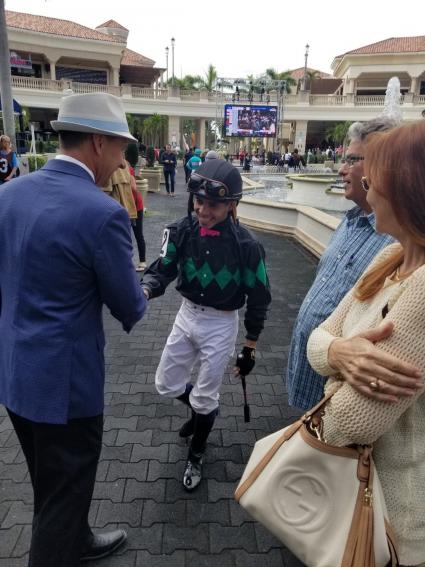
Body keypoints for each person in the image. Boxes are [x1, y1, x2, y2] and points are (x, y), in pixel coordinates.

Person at [0, 92, 148, 567]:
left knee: (49, 480)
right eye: (122, 148)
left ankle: (78, 539)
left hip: (15, 373)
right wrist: (148, 290)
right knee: (63, 497)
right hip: (67, 387)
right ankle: (65, 544)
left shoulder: (9, 194)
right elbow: (129, 306)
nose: (123, 160)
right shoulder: (102, 212)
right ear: (99, 143)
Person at [306, 120, 425, 567]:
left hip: (393, 521)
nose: (367, 189)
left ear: (408, 189)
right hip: (356, 493)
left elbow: (352, 421)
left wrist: (329, 362)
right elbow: (319, 335)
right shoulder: (388, 258)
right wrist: (339, 355)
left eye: (375, 178)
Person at [141, 160, 271, 491]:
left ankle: (196, 453)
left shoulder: (248, 246)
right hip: (186, 315)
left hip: (221, 323)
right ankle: (201, 415)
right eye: (199, 201)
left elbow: (259, 297)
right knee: (166, 384)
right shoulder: (180, 230)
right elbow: (162, 269)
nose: (203, 210)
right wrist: (144, 289)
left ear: (232, 205)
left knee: (205, 396)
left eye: (213, 204)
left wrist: (250, 346)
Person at [286, 117, 399, 411]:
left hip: (342, 396)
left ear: (380, 166)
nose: (341, 169)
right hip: (310, 374)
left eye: (351, 160)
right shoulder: (349, 222)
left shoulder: (397, 242)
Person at [129, 163, 147, 271]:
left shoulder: (126, 167)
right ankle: (140, 261)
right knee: (131, 235)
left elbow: (133, 188)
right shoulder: (125, 166)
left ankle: (142, 261)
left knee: (137, 234)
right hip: (129, 205)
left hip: (134, 205)